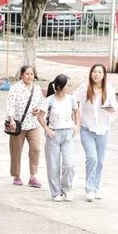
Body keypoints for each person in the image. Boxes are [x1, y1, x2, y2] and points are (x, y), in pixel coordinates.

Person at [74, 63, 118, 202]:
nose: (96, 74)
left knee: (100, 161)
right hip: (86, 129)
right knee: (92, 158)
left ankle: (96, 187)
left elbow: (114, 106)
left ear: (104, 75)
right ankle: (89, 189)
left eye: (99, 72)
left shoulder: (109, 89)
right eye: (94, 71)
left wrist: (110, 109)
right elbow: (74, 101)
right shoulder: (84, 87)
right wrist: (75, 120)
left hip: (103, 129)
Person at [37, 74, 80, 202]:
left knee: (69, 164)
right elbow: (40, 116)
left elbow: (76, 111)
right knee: (53, 166)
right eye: (68, 85)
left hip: (68, 135)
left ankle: (67, 189)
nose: (69, 87)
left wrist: (77, 125)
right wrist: (47, 129)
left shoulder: (71, 99)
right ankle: (55, 192)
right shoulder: (49, 100)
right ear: (60, 87)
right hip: (53, 135)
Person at [6, 65, 44, 188]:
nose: (29, 76)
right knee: (16, 151)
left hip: (33, 124)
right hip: (18, 124)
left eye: (31, 74)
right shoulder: (15, 88)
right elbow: (10, 104)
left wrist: (38, 110)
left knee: (36, 149)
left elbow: (41, 103)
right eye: (27, 74)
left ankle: (33, 175)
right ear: (21, 75)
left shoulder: (37, 88)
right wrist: (11, 118)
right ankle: (16, 175)